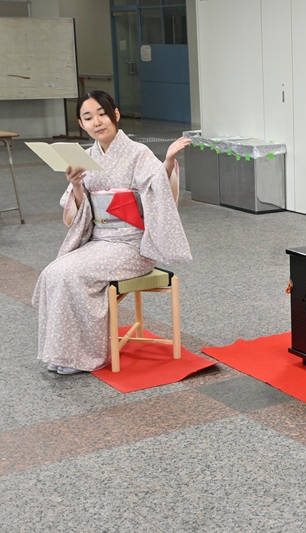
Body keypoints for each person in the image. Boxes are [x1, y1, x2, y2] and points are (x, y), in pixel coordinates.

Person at [33, 91, 193, 375]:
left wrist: (167, 162)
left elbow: (158, 191)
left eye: (102, 114)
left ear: (115, 115)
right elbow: (75, 215)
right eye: (88, 117)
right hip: (99, 242)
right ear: (81, 124)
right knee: (52, 272)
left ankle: (87, 356)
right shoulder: (86, 157)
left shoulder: (138, 153)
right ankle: (62, 352)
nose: (97, 122)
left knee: (72, 274)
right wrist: (77, 185)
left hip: (132, 246)